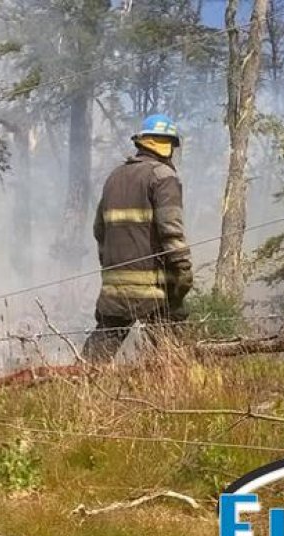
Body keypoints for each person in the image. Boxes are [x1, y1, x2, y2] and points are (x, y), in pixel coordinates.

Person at [82, 114, 193, 362]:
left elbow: (100, 230)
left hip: (115, 283)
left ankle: (79, 381)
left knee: (101, 347)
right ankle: (176, 383)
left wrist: (110, 267)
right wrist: (183, 267)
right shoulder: (163, 176)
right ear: (168, 146)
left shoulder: (115, 177)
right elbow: (171, 229)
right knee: (172, 350)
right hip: (154, 286)